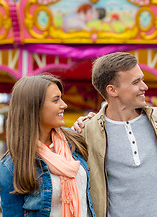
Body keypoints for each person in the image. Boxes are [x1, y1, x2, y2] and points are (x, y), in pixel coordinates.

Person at [73, 52, 157, 217]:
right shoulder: (86, 132)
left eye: (142, 79)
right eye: (136, 82)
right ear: (112, 90)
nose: (144, 87)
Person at [0, 75, 95, 217]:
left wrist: (94, 124)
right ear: (34, 107)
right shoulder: (11, 166)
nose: (64, 105)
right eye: (56, 100)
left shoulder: (74, 140)